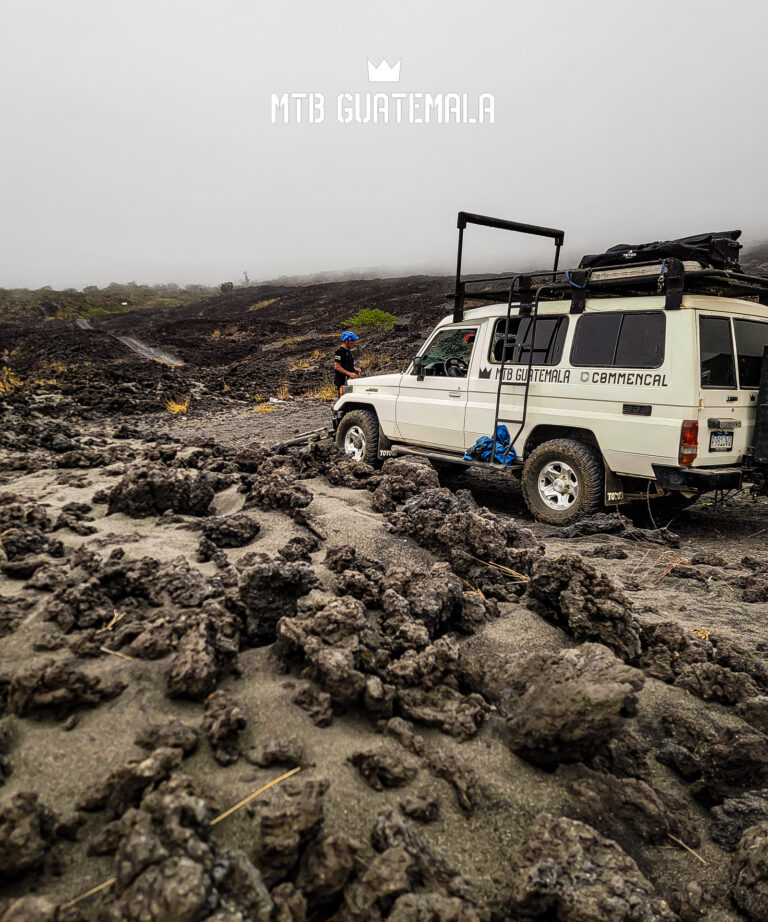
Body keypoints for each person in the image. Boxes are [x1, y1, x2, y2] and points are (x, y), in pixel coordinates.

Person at [334, 331, 361, 395]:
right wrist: (349, 374)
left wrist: (354, 369)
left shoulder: (348, 351)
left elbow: (346, 364)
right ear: (346, 341)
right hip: (342, 381)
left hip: (348, 380)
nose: (354, 343)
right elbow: (337, 366)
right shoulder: (339, 351)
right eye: (352, 341)